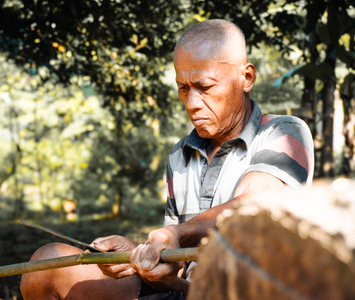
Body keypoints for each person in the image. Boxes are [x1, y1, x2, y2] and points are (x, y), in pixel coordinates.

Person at [20, 19, 314, 299]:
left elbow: (255, 208)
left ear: (246, 77)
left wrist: (173, 233)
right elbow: (180, 266)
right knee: (46, 265)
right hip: (189, 293)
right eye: (183, 88)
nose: (192, 103)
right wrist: (144, 257)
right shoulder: (180, 154)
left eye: (205, 87)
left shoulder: (283, 131)